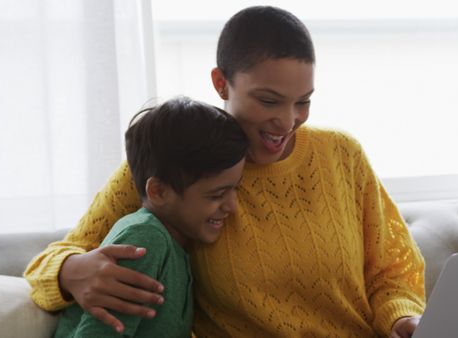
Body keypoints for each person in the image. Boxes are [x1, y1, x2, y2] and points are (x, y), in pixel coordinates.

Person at [25, 6, 426, 337]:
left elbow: (390, 271)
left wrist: (401, 318)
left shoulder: (343, 155)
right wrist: (69, 272)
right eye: (268, 101)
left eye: (302, 102)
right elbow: (52, 259)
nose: (287, 122)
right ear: (221, 83)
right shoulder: (176, 160)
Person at [52, 97, 248, 337]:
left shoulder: (175, 245)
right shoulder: (144, 241)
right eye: (216, 195)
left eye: (235, 189)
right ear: (158, 191)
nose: (232, 206)